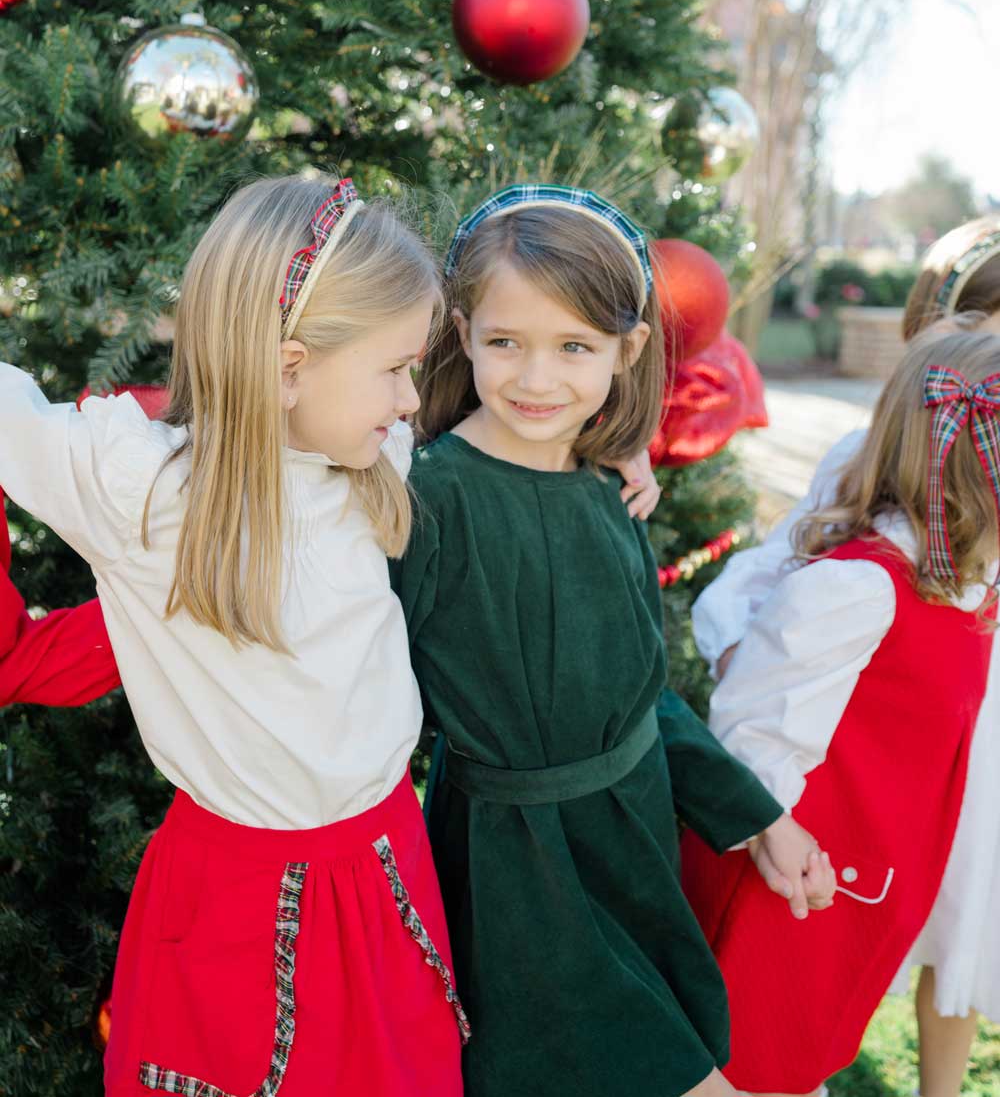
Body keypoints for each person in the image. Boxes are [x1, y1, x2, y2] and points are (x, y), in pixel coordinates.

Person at [0, 174, 466, 1097]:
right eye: (393, 369)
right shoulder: (144, 489)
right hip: (232, 902)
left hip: (384, 866)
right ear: (289, 366)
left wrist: (612, 441)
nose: (413, 399)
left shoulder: (366, 460)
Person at [392, 184, 834, 1097]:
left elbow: (647, 698)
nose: (537, 379)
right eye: (505, 342)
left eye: (575, 348)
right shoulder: (428, 499)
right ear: (463, 332)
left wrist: (756, 819)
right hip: (519, 874)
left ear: (628, 351)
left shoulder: (606, 492)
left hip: (630, 843)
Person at [692, 215, 1000, 1097]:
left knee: (812, 1036)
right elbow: (754, 729)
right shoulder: (863, 588)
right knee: (755, 1045)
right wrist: (775, 834)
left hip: (869, 882)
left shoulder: (971, 585)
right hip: (794, 882)